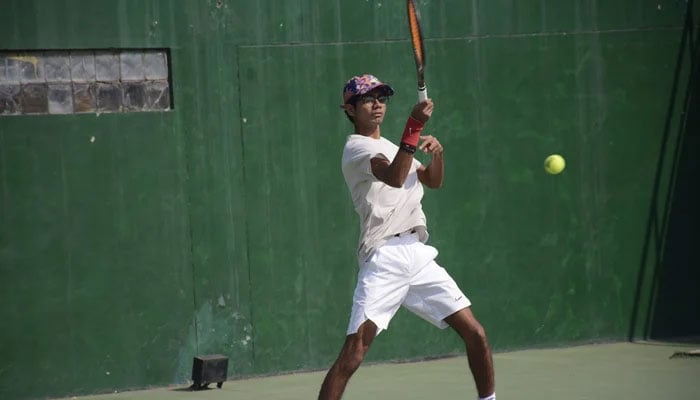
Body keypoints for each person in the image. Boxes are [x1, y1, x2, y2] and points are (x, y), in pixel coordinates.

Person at [317, 74, 496, 400]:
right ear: (349, 109)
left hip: (417, 253)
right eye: (368, 100)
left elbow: (430, 180)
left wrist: (437, 154)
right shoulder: (356, 149)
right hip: (383, 257)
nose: (377, 105)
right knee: (354, 353)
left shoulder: (393, 147)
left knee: (476, 334)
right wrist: (413, 126)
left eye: (382, 99)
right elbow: (395, 177)